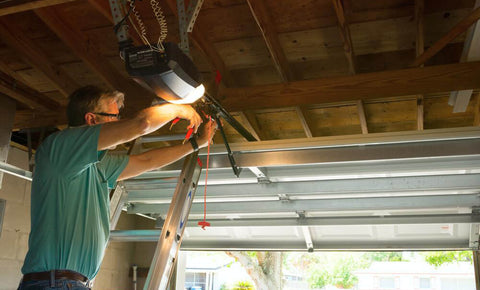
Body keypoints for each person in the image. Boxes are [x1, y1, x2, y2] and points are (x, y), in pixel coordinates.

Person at [17, 85, 216, 290]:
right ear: (92, 119)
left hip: (68, 283)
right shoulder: (60, 149)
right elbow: (142, 123)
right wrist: (179, 109)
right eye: (114, 116)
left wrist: (196, 144)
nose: (118, 122)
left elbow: (147, 161)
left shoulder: (97, 164)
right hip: (55, 283)